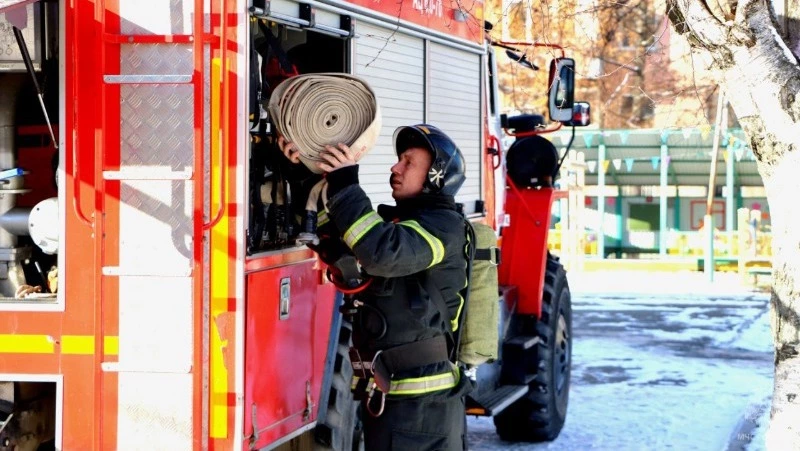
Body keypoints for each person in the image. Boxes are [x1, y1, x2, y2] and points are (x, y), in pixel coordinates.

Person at [279, 124, 471, 450]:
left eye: (409, 162)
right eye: (400, 160)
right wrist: (304, 175)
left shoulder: (444, 226)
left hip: (423, 413)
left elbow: (381, 253)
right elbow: (339, 245)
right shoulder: (402, 226)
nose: (395, 167)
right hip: (394, 401)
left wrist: (346, 183)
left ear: (436, 175)